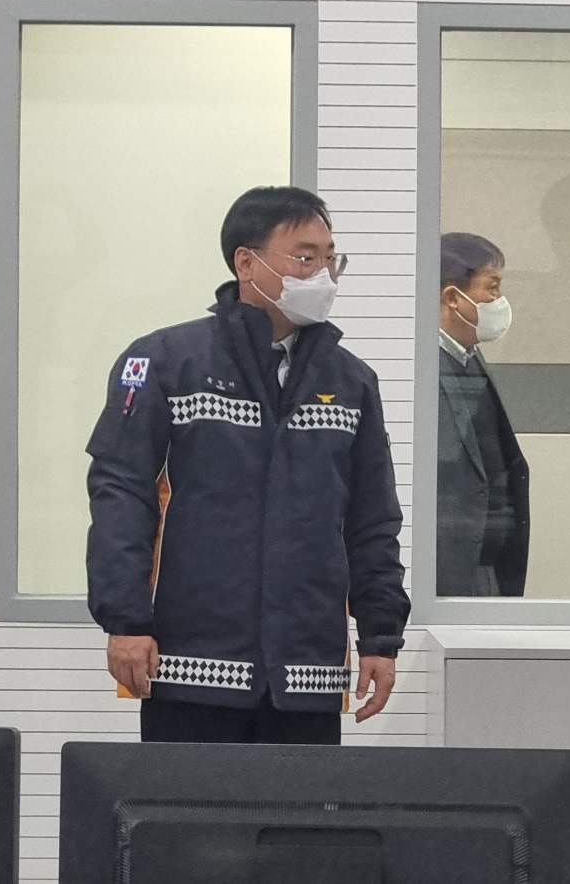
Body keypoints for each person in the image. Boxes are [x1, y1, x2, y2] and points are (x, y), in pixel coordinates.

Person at [86, 185, 409, 744]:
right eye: (305, 258)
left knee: (301, 805)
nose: (322, 275)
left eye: (330, 260)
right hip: (191, 667)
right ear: (246, 263)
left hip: (306, 671)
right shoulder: (165, 361)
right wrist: (125, 621)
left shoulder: (351, 381)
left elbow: (372, 520)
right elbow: (122, 496)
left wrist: (381, 637)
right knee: (185, 803)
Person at [435, 232, 530, 597]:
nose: (499, 301)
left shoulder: (470, 359)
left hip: (487, 564)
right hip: (447, 569)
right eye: (492, 288)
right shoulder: (423, 370)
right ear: (452, 298)